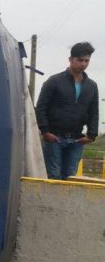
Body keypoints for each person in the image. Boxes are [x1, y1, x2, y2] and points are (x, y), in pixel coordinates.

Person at [36, 41, 99, 180]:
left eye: (86, 60)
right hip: (54, 138)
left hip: (77, 140)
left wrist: (92, 134)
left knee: (71, 178)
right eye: (80, 60)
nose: (83, 64)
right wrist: (45, 131)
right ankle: (50, 203)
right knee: (53, 176)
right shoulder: (54, 81)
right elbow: (41, 107)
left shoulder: (91, 86)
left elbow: (94, 111)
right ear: (71, 59)